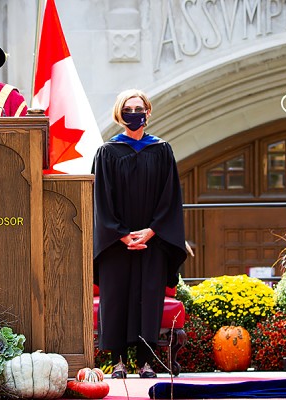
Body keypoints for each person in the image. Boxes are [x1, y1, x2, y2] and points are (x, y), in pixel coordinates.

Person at [92, 89, 187, 379]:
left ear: (148, 112)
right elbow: (100, 200)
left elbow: (170, 197)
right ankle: (119, 362)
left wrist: (152, 231)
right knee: (117, 298)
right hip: (116, 244)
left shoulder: (161, 151)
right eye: (129, 109)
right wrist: (121, 235)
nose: (135, 113)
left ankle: (147, 362)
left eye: (139, 108)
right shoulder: (107, 152)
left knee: (149, 298)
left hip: (152, 241)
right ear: (120, 115)